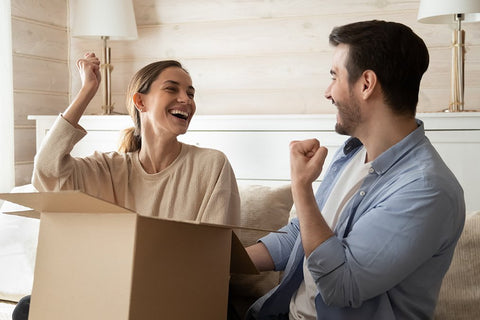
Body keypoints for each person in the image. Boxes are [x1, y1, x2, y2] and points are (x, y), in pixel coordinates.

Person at [245, 20, 465, 320]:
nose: (327, 92)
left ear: (366, 84)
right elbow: (304, 235)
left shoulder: (426, 189)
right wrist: (224, 262)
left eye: (334, 76)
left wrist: (302, 187)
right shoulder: (353, 153)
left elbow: (340, 285)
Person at [12, 53, 241, 320]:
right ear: (140, 101)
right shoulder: (109, 168)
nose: (186, 100)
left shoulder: (212, 164)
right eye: (172, 89)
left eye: (190, 93)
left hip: (179, 296)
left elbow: (215, 258)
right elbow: (47, 170)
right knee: (28, 307)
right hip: (113, 295)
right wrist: (87, 90)